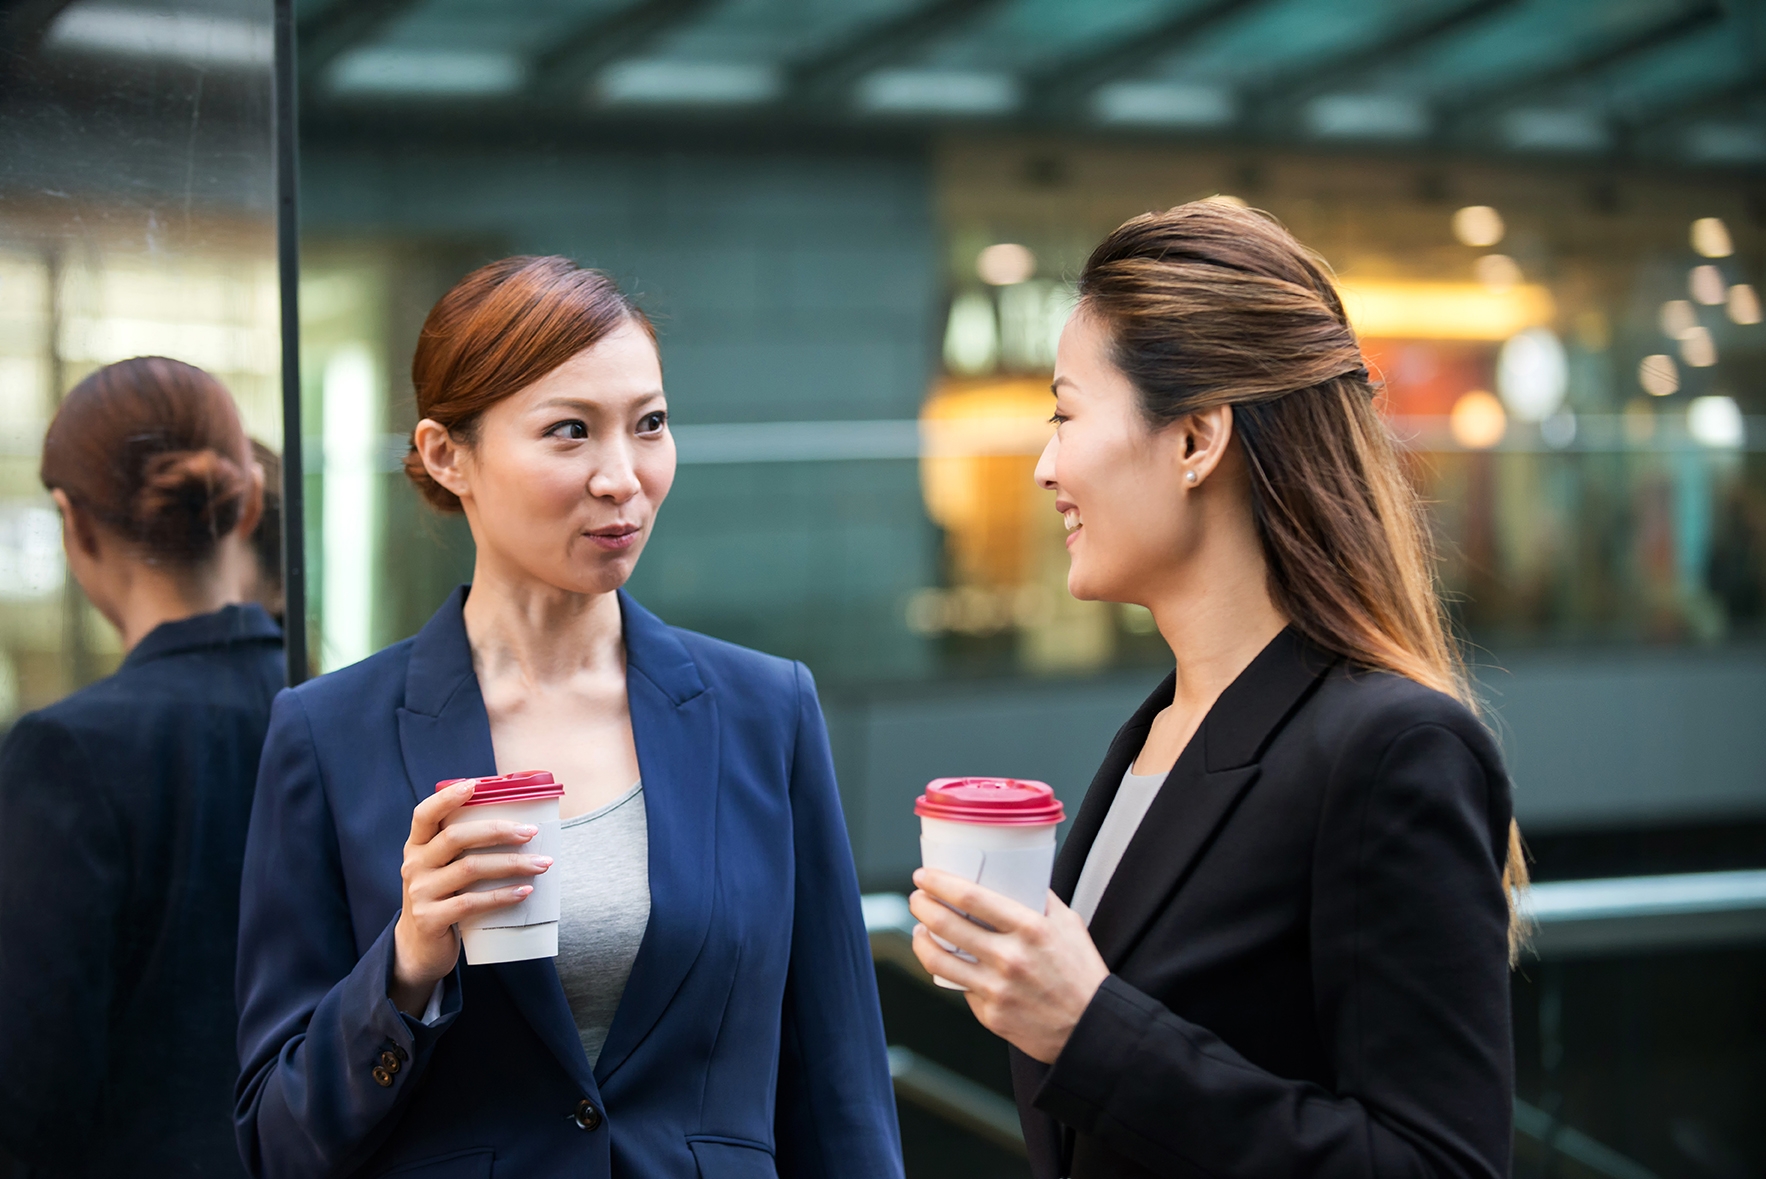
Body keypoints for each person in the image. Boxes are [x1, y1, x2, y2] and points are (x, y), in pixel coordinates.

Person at [234, 256, 902, 1179]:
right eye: (570, 431)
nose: (623, 477)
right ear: (447, 454)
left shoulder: (765, 711)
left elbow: (841, 1093)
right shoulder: (327, 734)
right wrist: (406, 964)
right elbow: (276, 1141)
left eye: (650, 424)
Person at [909, 201, 1525, 1179]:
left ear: (1196, 440)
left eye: (1065, 414)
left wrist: (1088, 1028)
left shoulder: (1392, 748)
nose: (1044, 465)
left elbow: (1437, 1165)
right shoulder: (1155, 733)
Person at [0, 357, 282, 1176]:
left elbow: (28, 1085)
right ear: (247, 504)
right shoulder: (344, 710)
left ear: (74, 526)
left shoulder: (67, 751)